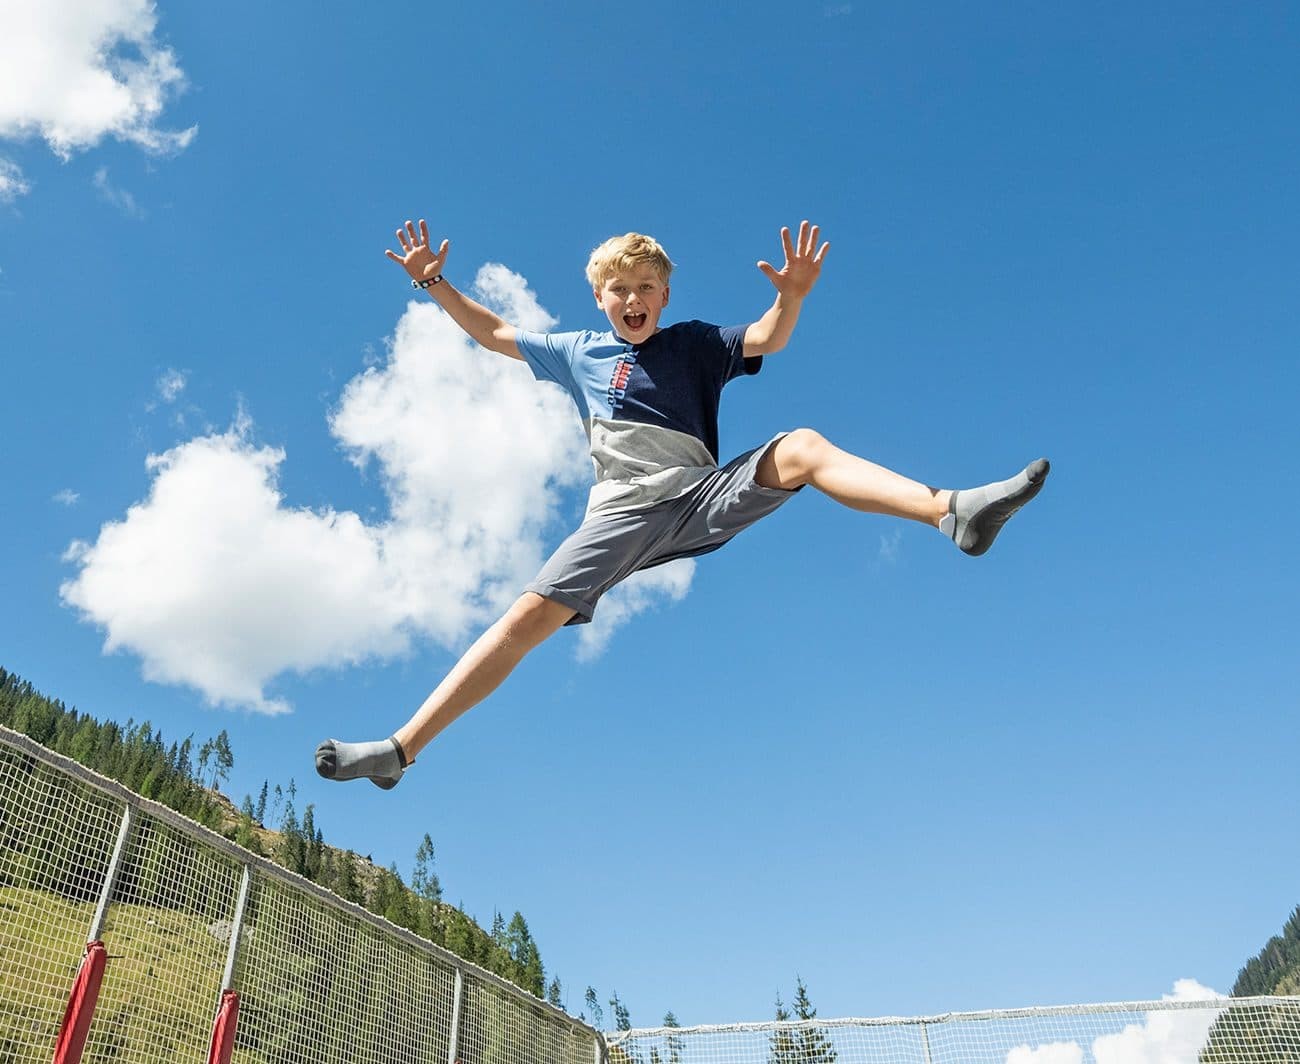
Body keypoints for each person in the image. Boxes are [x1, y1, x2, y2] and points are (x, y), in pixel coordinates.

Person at [315, 218, 1049, 789]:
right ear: (599, 298)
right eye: (619, 290)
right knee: (526, 618)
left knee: (801, 447)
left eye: (646, 288)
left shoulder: (695, 344)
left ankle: (951, 511)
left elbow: (767, 337)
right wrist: (435, 282)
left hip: (698, 497)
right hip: (620, 514)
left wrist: (790, 296)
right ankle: (400, 750)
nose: (633, 301)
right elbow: (497, 333)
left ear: (665, 295)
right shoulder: (578, 352)